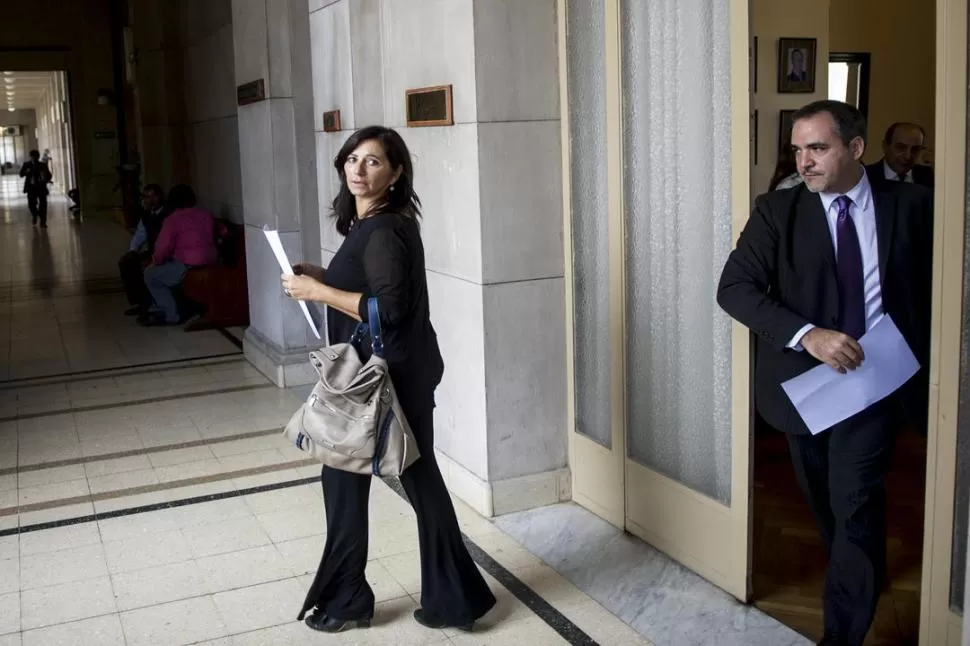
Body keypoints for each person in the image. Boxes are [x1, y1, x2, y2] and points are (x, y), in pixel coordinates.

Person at [717, 100, 933, 646]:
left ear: (855, 149)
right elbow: (735, 289)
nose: (804, 162)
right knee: (831, 504)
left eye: (818, 148)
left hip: (878, 382)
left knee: (855, 497)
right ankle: (863, 572)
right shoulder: (777, 212)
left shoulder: (913, 206)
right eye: (798, 149)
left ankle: (844, 632)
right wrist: (806, 334)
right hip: (806, 391)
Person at [281, 126, 496, 634]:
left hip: (383, 378)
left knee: (351, 479)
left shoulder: (382, 230)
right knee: (412, 480)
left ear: (396, 173)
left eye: (373, 161)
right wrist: (323, 276)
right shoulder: (375, 225)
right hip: (394, 372)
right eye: (352, 159)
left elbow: (390, 309)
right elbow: (372, 286)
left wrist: (317, 290)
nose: (358, 170)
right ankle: (453, 598)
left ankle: (352, 599)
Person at [139, 184, 217, 326]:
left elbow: (162, 247)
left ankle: (170, 314)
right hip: (211, 261)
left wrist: (155, 262)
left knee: (150, 275)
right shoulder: (206, 214)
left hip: (188, 265)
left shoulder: (173, 219)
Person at [119, 184, 170, 316]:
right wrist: (132, 251)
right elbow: (140, 235)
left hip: (167, 253)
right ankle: (140, 302)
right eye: (147, 197)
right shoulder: (147, 215)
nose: (150, 200)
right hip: (153, 251)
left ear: (161, 197)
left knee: (147, 267)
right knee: (127, 263)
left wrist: (154, 258)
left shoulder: (169, 215)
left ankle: (151, 303)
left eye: (154, 196)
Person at [865, 122, 934, 189]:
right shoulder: (866, 176)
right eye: (901, 147)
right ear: (885, 146)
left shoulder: (928, 176)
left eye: (915, 149)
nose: (908, 156)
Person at [19, 150, 52, 227]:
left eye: (36, 157)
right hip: (31, 187)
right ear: (30, 157)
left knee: (43, 205)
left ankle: (43, 222)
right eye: (33, 157)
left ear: (38, 157)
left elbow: (49, 175)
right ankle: (35, 214)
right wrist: (26, 172)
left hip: (41, 187)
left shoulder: (43, 165)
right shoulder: (26, 164)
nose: (34, 159)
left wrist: (45, 179)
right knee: (31, 205)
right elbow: (20, 174)